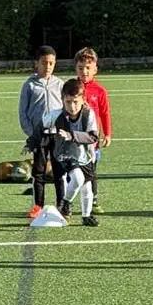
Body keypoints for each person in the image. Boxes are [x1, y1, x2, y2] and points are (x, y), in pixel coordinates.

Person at [19, 45, 63, 218]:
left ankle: (62, 205)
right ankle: (38, 206)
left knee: (59, 171)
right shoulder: (29, 86)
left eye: (51, 63)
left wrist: (63, 130)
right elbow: (23, 112)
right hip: (39, 136)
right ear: (36, 63)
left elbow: (67, 108)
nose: (48, 66)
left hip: (57, 135)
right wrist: (32, 134)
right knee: (39, 172)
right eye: (44, 63)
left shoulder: (60, 84)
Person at [54, 79, 101, 227]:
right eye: (68, 102)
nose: (72, 106)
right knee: (78, 179)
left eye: (75, 102)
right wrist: (33, 142)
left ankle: (86, 216)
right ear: (62, 100)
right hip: (66, 154)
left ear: (83, 100)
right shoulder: (58, 116)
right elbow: (41, 126)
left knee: (87, 188)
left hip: (85, 156)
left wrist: (72, 135)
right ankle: (65, 203)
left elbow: (93, 137)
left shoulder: (89, 115)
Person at [74, 47, 111, 214]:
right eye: (81, 68)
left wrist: (107, 134)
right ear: (76, 69)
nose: (84, 71)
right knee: (73, 170)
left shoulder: (100, 91)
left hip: (91, 139)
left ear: (95, 69)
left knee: (91, 170)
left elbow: (104, 113)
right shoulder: (71, 88)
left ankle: (93, 200)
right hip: (74, 138)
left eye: (88, 67)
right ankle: (68, 200)